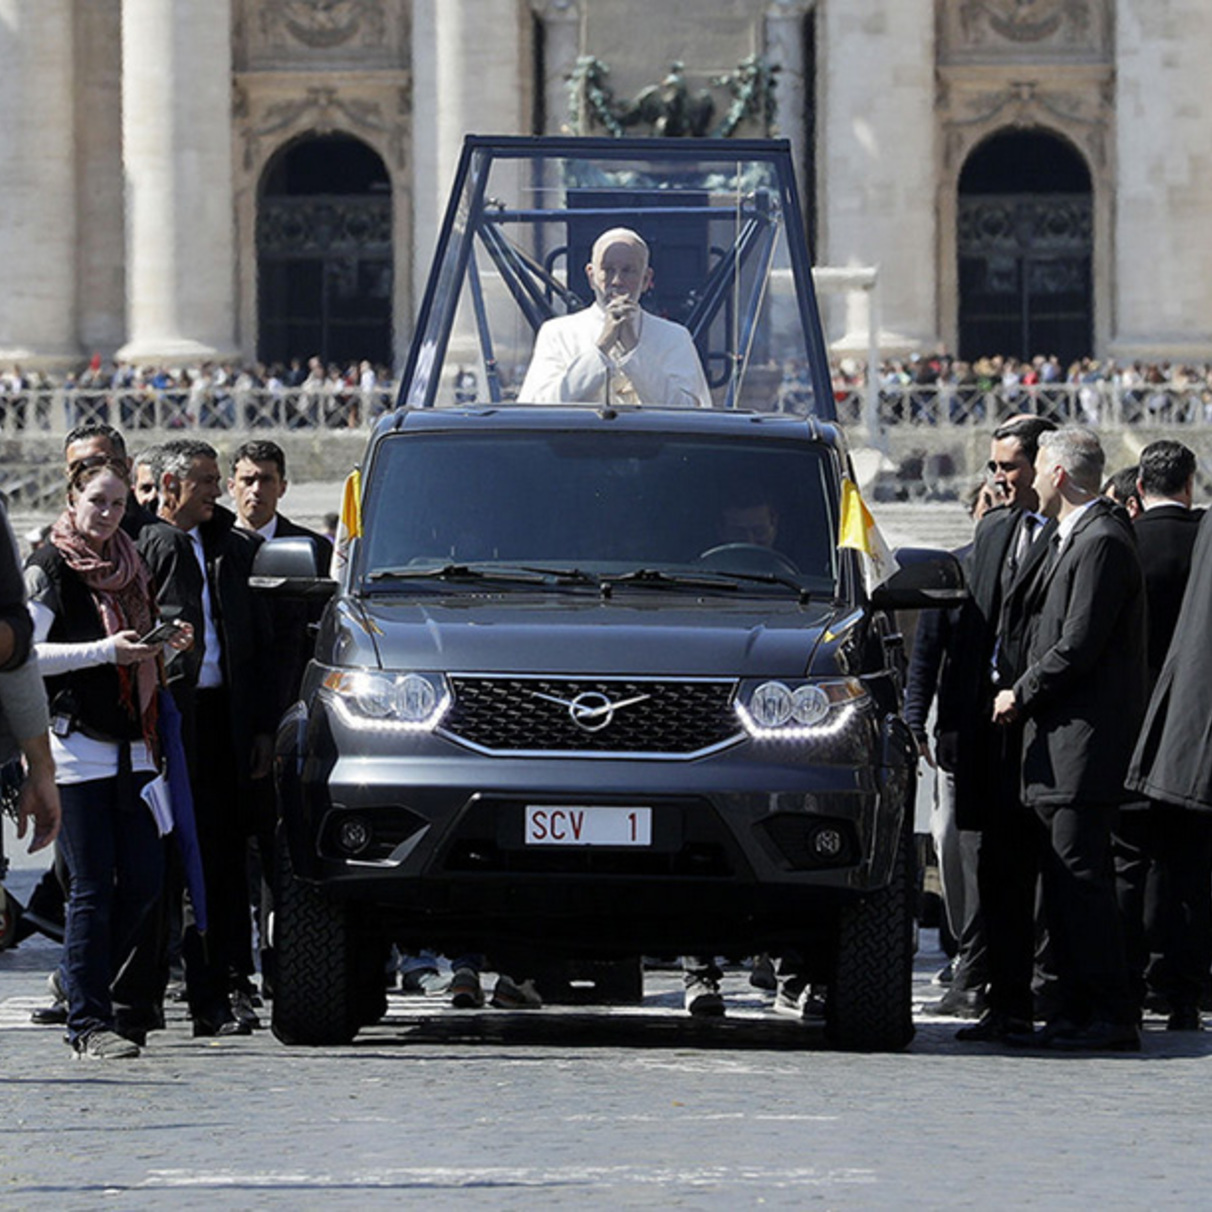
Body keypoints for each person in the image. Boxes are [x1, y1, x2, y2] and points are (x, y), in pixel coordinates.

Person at [24, 457, 187, 1059]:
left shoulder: (132, 562)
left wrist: (163, 646)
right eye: (98, 501)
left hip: (137, 749)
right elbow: (24, 656)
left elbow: (137, 651)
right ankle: (89, 1023)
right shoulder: (49, 566)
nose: (108, 514)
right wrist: (104, 653)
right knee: (91, 887)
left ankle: (76, 975)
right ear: (73, 498)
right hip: (75, 749)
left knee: (145, 881)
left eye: (118, 504)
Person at [992, 427, 1146, 1051]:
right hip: (1057, 745)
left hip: (1082, 744)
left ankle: (1110, 1012)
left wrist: (1020, 691)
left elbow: (1077, 643)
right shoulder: (1073, 538)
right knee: (1062, 882)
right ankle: (1072, 1010)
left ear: (1057, 475)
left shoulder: (1102, 541)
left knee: (1081, 881)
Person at [137, 438, 277, 1037]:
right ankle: (177, 989)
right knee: (172, 859)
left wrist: (264, 726)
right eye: (206, 482)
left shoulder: (233, 545)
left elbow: (264, 641)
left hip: (226, 716)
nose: (219, 492)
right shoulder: (147, 545)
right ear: (171, 488)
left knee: (220, 858)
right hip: (173, 718)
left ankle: (225, 983)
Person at [949, 414, 1058, 1044]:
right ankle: (1006, 1000)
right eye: (993, 467)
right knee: (995, 868)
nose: (999, 479)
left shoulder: (1076, 535)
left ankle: (1054, 993)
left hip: (1045, 725)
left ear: (1042, 466)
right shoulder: (992, 532)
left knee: (1053, 872)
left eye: (1009, 467)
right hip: (989, 732)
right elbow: (968, 634)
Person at [227, 438, 331, 996]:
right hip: (225, 722)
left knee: (281, 851)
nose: (255, 490)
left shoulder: (310, 549)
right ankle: (226, 970)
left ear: (283, 486)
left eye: (266, 479)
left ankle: (284, 964)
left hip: (288, 726)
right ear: (230, 484)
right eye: (246, 479)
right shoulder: (216, 549)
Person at [1116, 441, 1210, 1029]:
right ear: (1190, 484)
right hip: (1194, 730)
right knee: (1190, 867)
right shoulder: (1204, 545)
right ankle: (1182, 991)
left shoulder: (1123, 546)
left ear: (1138, 489)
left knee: (1130, 861)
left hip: (1130, 724)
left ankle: (1129, 980)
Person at [903, 477, 995, 1018]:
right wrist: (916, 721)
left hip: (1001, 736)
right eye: (987, 502)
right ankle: (963, 942)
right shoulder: (951, 571)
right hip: (955, 736)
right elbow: (926, 655)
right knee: (951, 843)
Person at [518, 227, 712, 409]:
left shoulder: (674, 338)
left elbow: (688, 413)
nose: (617, 281)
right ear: (591, 276)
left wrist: (633, 351)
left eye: (628, 271)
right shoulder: (557, 334)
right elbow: (538, 407)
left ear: (646, 280)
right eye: (608, 270)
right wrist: (601, 347)